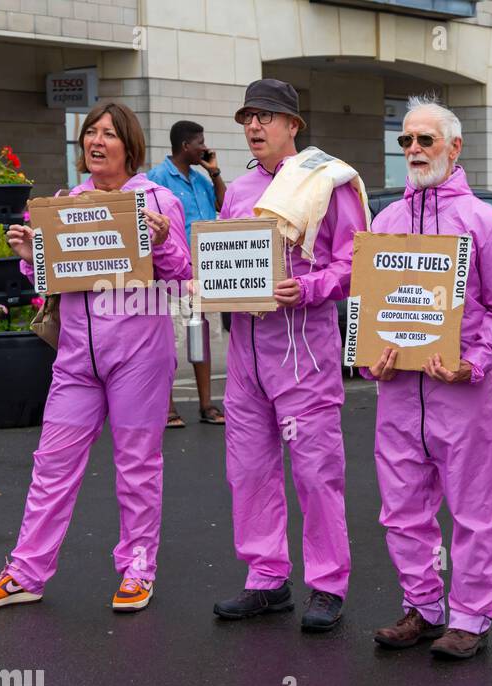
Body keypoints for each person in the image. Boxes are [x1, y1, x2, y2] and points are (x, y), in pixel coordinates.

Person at [0, 101, 187, 613]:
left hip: (139, 356)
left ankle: (137, 569)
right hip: (75, 358)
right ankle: (25, 572)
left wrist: (162, 242)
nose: (96, 141)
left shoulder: (157, 200)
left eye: (108, 133)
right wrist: (28, 257)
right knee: (51, 463)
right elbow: (48, 281)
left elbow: (180, 275)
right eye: (90, 132)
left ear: (129, 145)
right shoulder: (63, 202)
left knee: (137, 466)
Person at [367, 95, 492, 661]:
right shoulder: (384, 223)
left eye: (424, 140)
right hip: (398, 393)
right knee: (403, 507)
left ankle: (472, 617)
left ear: (454, 148)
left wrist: (475, 362)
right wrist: (368, 361)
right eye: (405, 140)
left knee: (476, 508)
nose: (412, 150)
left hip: (463, 391)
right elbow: (368, 310)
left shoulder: (485, 222)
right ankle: (424, 607)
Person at [210, 79, 367, 634]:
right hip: (245, 352)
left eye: (266, 117)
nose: (254, 127)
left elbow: (357, 263)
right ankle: (266, 579)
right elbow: (224, 259)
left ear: (292, 126)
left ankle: (327, 584)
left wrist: (312, 286)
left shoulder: (327, 181)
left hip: (304, 351)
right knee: (248, 470)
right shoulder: (237, 190)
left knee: (316, 471)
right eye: (248, 117)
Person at [149, 119, 226, 426]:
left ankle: (207, 405)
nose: (205, 148)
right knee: (170, 340)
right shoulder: (156, 179)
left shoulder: (201, 179)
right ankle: (167, 409)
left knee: (202, 335)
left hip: (204, 271)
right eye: (200, 143)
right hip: (172, 272)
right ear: (185, 146)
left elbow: (223, 203)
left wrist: (215, 171)